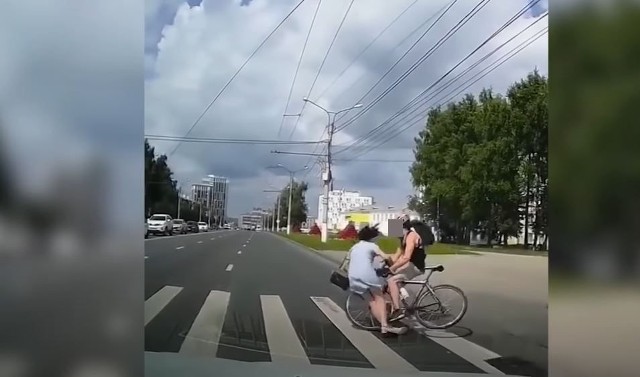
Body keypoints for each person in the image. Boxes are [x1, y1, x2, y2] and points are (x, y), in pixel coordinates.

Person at [347, 225, 408, 335]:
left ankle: (383, 325)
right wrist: (391, 267)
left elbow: (349, 260)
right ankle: (385, 326)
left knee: (372, 301)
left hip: (352, 276)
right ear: (372, 238)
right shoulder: (372, 246)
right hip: (366, 274)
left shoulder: (355, 247)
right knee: (380, 299)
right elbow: (385, 257)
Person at [386, 217, 427, 320]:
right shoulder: (403, 238)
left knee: (392, 281)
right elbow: (397, 255)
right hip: (410, 265)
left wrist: (393, 268)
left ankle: (397, 309)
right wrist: (385, 262)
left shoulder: (411, 236)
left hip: (416, 266)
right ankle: (405, 302)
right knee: (391, 282)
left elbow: (406, 257)